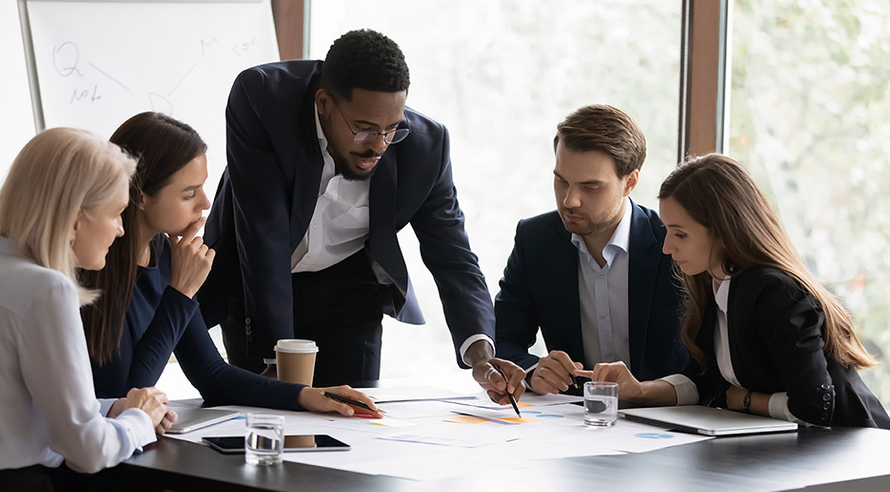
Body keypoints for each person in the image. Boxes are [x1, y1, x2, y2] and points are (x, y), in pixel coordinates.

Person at [199, 28, 524, 401]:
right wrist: (278, 359)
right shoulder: (262, 99)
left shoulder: (426, 148)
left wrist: (482, 356)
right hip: (258, 282)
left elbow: (453, 255)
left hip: (348, 293)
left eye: (391, 130)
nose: (378, 145)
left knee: (354, 420)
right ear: (323, 103)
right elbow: (264, 232)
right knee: (264, 416)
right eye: (364, 129)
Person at [0, 128, 172, 491]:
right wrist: (140, 421)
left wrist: (110, 408)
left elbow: (14, 409)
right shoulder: (47, 289)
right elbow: (87, 451)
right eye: (116, 214)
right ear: (74, 219)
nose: (119, 230)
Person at [80, 112, 380, 416]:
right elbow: (125, 397)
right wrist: (181, 292)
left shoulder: (167, 254)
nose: (205, 203)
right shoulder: (95, 266)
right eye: (189, 194)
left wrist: (306, 396)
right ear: (141, 196)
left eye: (202, 188)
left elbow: (210, 373)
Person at [586, 153, 890, 428]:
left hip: (856, 450)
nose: (667, 247)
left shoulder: (774, 291)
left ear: (724, 230)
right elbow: (704, 384)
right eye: (667, 231)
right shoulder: (711, 282)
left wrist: (745, 400)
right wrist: (639, 390)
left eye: (680, 234)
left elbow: (815, 407)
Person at [495, 105, 687, 395]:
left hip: (663, 418)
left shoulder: (672, 244)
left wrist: (645, 392)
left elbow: (704, 363)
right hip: (571, 421)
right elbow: (502, 338)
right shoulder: (535, 239)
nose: (570, 200)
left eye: (591, 187)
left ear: (630, 183)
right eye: (561, 181)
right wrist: (534, 371)